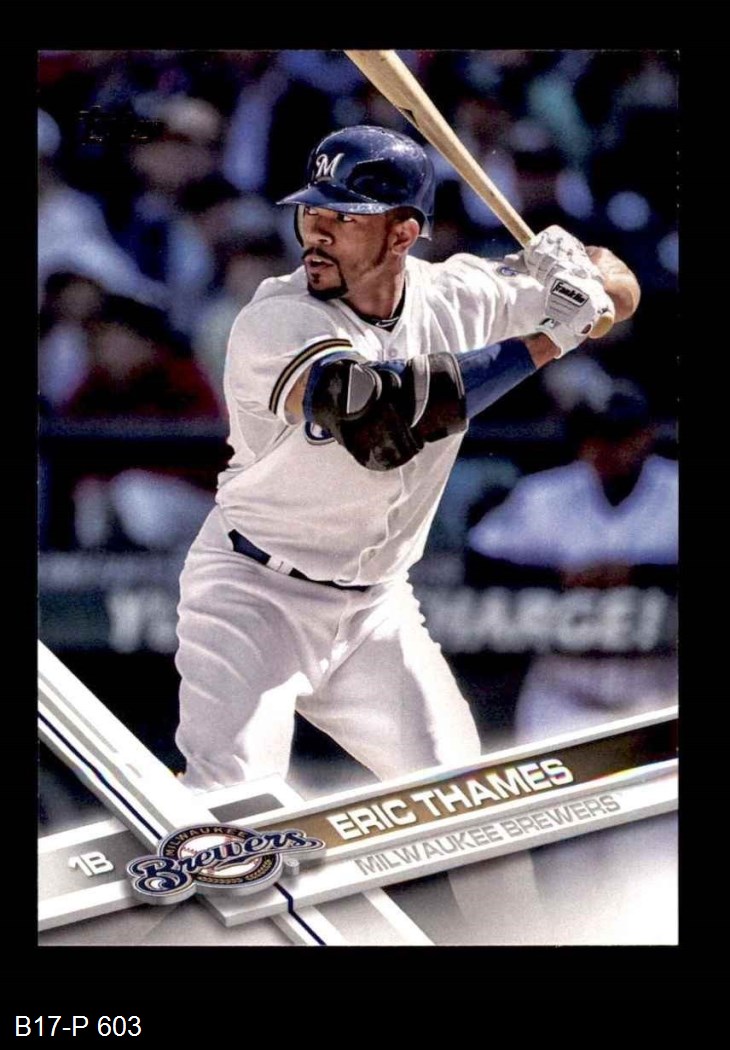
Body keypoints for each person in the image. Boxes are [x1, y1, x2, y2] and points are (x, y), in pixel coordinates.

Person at [174, 125, 640, 791]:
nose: (316, 232)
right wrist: (548, 339)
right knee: (234, 809)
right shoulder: (277, 317)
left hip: (377, 610)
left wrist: (584, 277)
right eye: (312, 212)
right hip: (254, 593)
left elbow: (623, 290)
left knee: (469, 804)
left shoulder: (462, 292)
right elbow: (379, 424)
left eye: (344, 217)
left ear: (402, 233)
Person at [467, 378, 677, 741]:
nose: (607, 447)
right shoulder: (543, 495)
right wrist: (559, 577)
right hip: (562, 695)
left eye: (620, 435)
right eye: (595, 435)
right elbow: (480, 563)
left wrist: (637, 575)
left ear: (646, 435)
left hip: (662, 692)